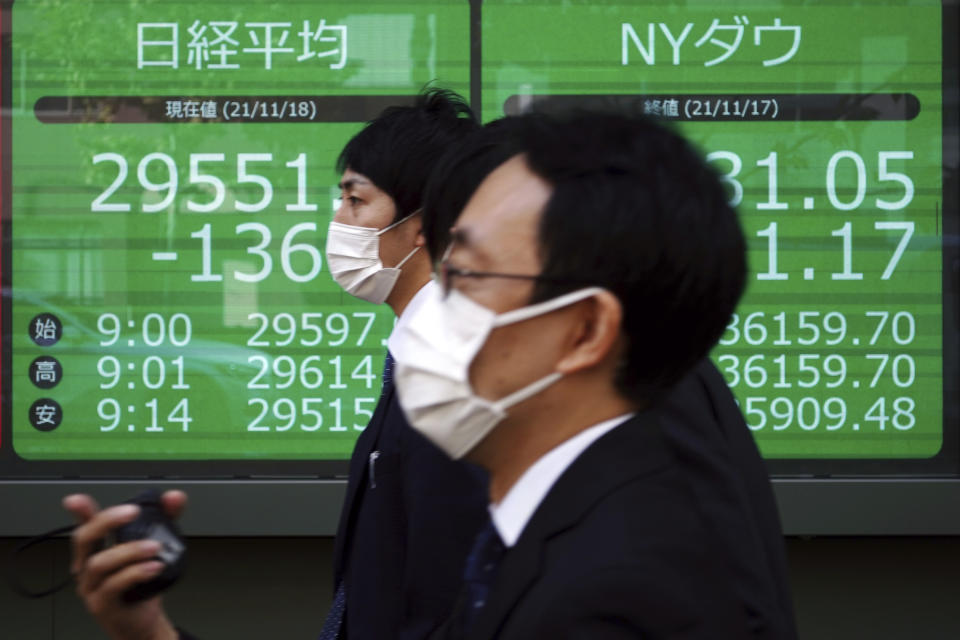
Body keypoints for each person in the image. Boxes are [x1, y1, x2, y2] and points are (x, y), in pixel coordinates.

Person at [61, 88, 489, 640]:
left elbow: (436, 608)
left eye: (356, 202)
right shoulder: (416, 363)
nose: (337, 221)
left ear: (424, 225)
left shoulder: (452, 386)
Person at [390, 109, 798, 639]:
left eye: (465, 274)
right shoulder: (551, 522)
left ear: (586, 330)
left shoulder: (621, 600)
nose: (436, 307)